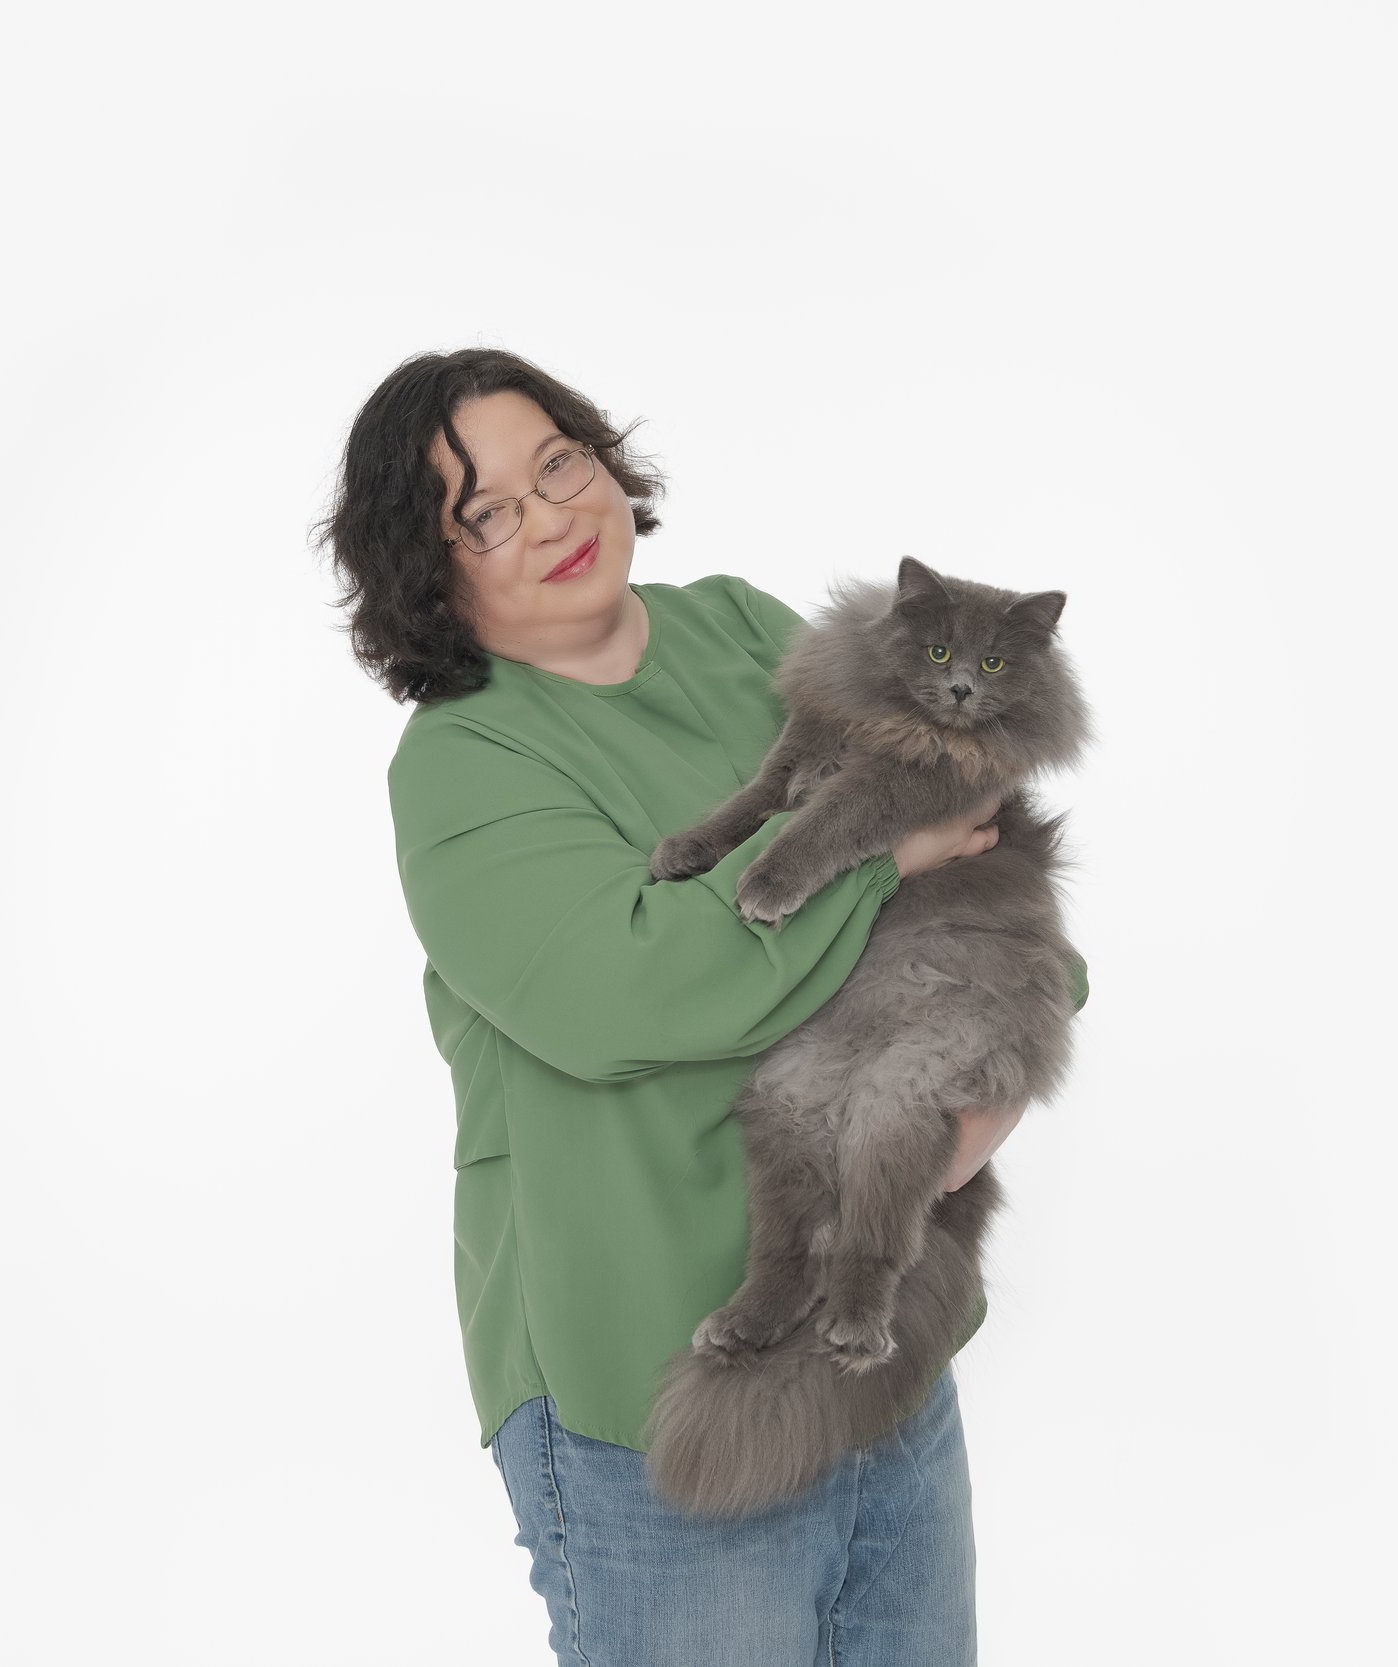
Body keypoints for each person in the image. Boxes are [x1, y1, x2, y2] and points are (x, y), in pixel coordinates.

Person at [317, 347, 1087, 1666]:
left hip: (883, 1340)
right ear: (426, 568)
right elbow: (630, 989)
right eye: (485, 512)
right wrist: (879, 858)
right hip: (658, 1399)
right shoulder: (464, 761)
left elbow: (998, 858)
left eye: (561, 463)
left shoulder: (736, 626)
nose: (550, 516)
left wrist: (980, 1106)